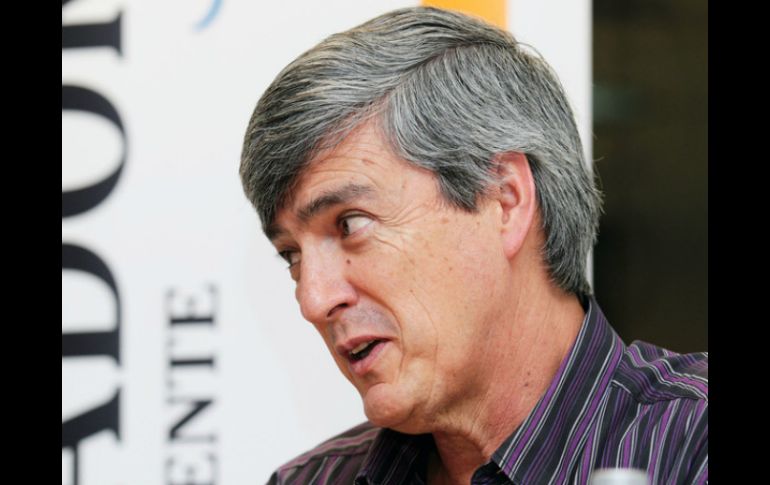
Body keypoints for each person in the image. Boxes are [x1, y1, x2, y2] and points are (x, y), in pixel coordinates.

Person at [239, 7, 707, 485]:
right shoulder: (311, 479)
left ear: (504, 200)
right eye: (292, 255)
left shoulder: (693, 447)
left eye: (350, 224)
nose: (313, 300)